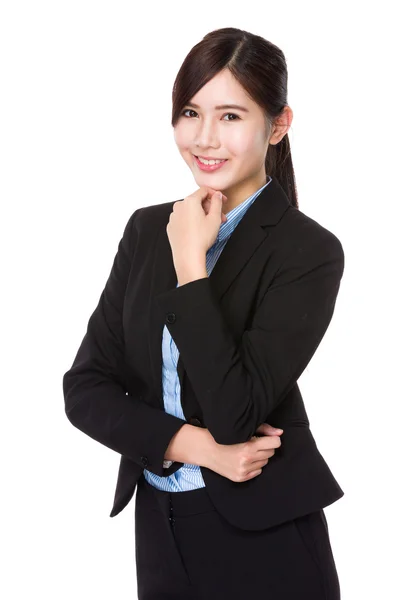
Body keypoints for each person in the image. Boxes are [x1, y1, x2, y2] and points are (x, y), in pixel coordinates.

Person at [63, 27, 345, 599]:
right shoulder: (147, 230)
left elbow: (236, 410)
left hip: (265, 541)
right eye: (191, 112)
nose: (205, 138)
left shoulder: (308, 252)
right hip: (161, 530)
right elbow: (85, 391)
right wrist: (197, 449)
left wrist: (191, 263)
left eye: (232, 116)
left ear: (279, 124)